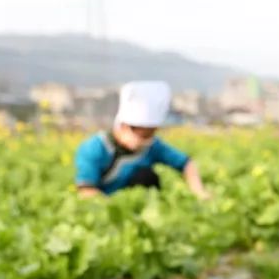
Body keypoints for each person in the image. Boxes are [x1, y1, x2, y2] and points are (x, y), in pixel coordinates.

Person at [74, 80, 209, 198]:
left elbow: (186, 164)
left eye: (150, 134)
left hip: (141, 209)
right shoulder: (94, 148)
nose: (144, 140)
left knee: (146, 176)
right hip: (106, 208)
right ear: (124, 126)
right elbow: (86, 190)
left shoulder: (152, 146)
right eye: (141, 134)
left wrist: (199, 192)